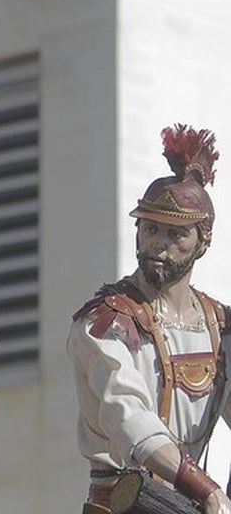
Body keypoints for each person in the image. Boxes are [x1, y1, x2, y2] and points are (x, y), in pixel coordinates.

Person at [68, 124, 231, 514]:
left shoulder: (220, 325)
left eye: (177, 234)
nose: (159, 242)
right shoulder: (106, 322)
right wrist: (205, 488)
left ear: (203, 240)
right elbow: (129, 419)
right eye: (151, 228)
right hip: (127, 504)